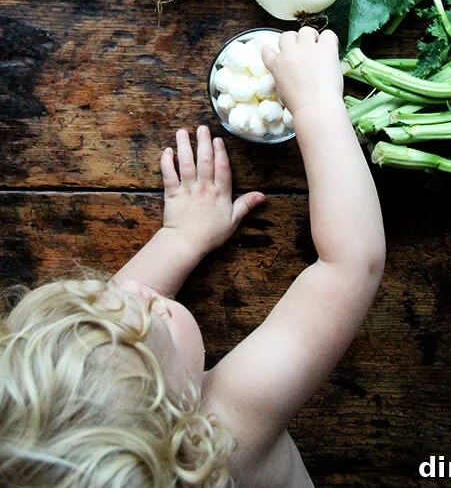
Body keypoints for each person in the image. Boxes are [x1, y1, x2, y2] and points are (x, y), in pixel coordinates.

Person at [0, 27, 386, 487]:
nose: (134, 290)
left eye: (91, 302)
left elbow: (116, 333)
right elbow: (351, 263)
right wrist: (317, 105)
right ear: (183, 416)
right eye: (151, 320)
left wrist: (182, 237)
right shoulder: (227, 432)